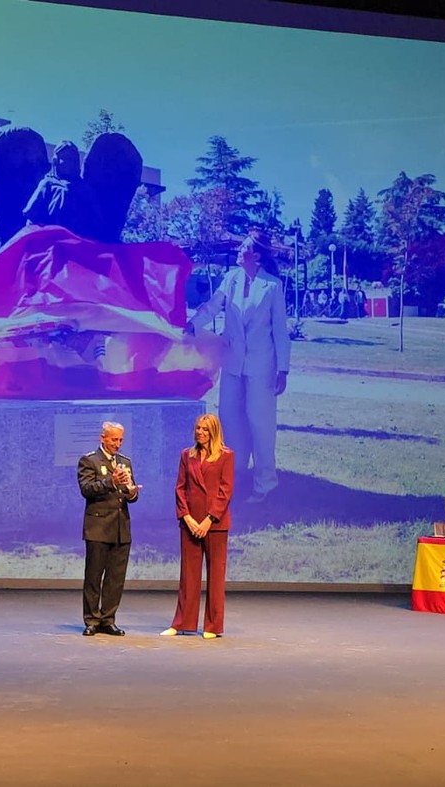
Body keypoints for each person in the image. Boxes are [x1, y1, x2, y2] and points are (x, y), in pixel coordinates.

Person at [189, 236, 291, 503]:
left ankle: (265, 483)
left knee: (260, 422)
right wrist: (193, 324)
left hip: (262, 365)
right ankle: (232, 477)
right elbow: (212, 307)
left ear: (256, 256)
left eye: (245, 247)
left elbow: (280, 330)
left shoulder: (272, 286)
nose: (239, 250)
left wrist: (283, 369)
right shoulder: (231, 279)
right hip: (233, 362)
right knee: (229, 419)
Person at [162, 413, 235, 639]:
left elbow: (225, 491)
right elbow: (180, 488)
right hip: (190, 524)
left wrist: (208, 520)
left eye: (205, 429)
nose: (200, 432)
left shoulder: (226, 456)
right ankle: (182, 622)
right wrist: (187, 517)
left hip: (215, 524)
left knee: (216, 575)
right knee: (188, 575)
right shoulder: (187, 455)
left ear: (214, 432)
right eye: (198, 428)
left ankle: (213, 626)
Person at [78, 421, 139, 636]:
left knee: (116, 578)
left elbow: (131, 495)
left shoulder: (125, 462)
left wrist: (132, 492)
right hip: (98, 527)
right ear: (103, 438)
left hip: (121, 527)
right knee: (94, 576)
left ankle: (108, 619)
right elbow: (86, 489)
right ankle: (92, 620)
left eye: (120, 440)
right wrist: (111, 482)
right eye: (114, 439)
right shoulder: (89, 460)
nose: (118, 444)